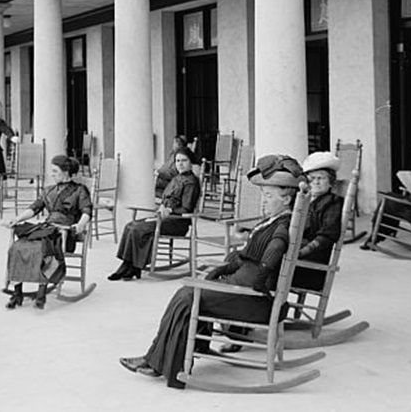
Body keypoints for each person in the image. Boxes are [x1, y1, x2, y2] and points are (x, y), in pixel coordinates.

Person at [118, 154, 303, 389]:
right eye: (263, 195)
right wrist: (224, 269)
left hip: (253, 299)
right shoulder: (272, 220)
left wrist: (260, 281)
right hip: (242, 288)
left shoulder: (282, 226)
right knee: (191, 289)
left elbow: (275, 250)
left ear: (286, 199)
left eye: (268, 196)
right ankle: (172, 354)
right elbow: (247, 255)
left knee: (187, 296)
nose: (263, 202)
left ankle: (160, 363)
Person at [2, 154, 92, 310]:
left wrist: (80, 224)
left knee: (43, 250)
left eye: (55, 172)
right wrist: (17, 219)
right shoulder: (49, 190)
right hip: (47, 227)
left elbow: (87, 211)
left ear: (66, 172)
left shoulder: (80, 190)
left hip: (65, 231)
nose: (53, 174)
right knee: (19, 246)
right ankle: (18, 293)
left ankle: (41, 292)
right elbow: (35, 208)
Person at [109, 147, 201, 281]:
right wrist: (163, 207)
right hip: (164, 218)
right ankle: (128, 265)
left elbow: (186, 208)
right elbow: (165, 198)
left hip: (177, 222)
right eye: (177, 161)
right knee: (130, 226)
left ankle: (133, 266)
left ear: (190, 162)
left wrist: (169, 210)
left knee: (139, 229)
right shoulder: (177, 178)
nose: (180, 164)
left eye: (184, 161)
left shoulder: (191, 182)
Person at [294, 151, 345, 290]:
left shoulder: (333, 203)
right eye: (312, 178)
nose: (315, 182)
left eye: (321, 178)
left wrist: (301, 252)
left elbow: (327, 235)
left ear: (331, 182)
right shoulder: (303, 199)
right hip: (293, 258)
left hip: (310, 266)